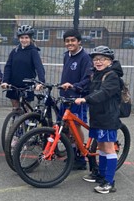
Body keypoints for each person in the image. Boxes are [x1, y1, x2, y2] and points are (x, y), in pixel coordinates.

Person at [75, 46, 123, 194]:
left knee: (108, 148)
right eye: (96, 59)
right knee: (101, 147)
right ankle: (101, 175)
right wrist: (73, 88)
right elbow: (89, 88)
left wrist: (85, 99)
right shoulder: (97, 74)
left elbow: (104, 93)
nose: (98, 61)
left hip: (108, 118)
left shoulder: (112, 76)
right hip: (97, 116)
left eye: (102, 59)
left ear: (110, 61)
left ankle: (109, 182)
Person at [59, 29, 93, 170]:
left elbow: (87, 78)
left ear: (79, 41)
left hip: (78, 97)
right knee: (66, 127)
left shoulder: (85, 57)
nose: (70, 43)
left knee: (76, 127)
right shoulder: (67, 55)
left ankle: (80, 157)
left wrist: (75, 86)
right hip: (65, 96)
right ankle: (72, 152)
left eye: (73, 40)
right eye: (67, 41)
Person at [1, 25, 46, 109]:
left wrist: (41, 82)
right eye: (22, 38)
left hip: (27, 85)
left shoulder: (33, 51)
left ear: (30, 38)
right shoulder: (15, 51)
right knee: (15, 109)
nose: (24, 40)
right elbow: (8, 67)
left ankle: (25, 121)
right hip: (14, 84)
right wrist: (5, 81)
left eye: (26, 37)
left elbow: (39, 67)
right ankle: (15, 120)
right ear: (19, 38)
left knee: (25, 110)